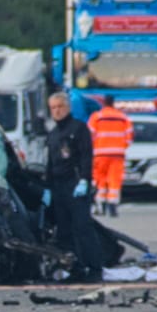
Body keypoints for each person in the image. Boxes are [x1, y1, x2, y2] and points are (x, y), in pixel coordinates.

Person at [45, 91, 104, 281]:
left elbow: (87, 155)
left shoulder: (78, 128)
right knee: (64, 231)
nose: (57, 111)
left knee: (83, 228)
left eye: (60, 107)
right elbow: (50, 162)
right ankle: (74, 269)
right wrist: (47, 187)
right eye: (53, 108)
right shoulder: (53, 134)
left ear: (68, 108)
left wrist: (85, 180)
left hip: (76, 183)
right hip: (58, 187)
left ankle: (95, 269)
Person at [86, 97, 132, 217]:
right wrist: (121, 146)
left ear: (104, 103)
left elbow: (89, 135)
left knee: (99, 179)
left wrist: (95, 147)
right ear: (113, 103)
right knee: (114, 180)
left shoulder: (97, 117)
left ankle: (100, 205)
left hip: (100, 154)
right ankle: (113, 206)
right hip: (117, 154)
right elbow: (129, 137)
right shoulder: (122, 117)